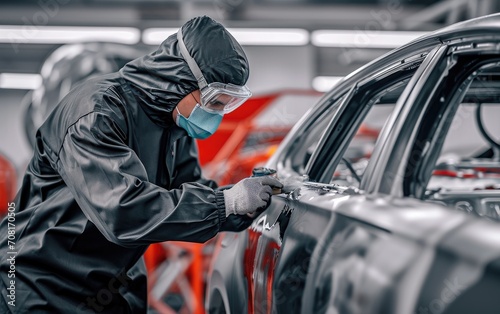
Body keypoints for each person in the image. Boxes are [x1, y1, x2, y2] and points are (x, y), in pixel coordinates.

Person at [0, 16, 282, 313]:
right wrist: (226, 203)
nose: (218, 115)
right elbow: (122, 210)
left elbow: (187, 192)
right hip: (38, 281)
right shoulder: (96, 113)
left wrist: (243, 206)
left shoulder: (174, 122)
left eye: (226, 105)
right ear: (180, 81)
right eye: (213, 103)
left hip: (107, 282)